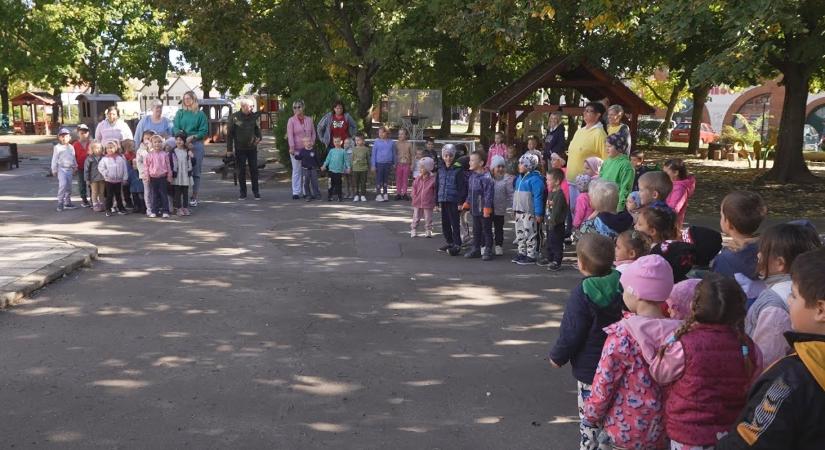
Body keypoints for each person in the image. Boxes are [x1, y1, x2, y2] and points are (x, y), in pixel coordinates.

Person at [717, 247, 825, 450]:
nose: (790, 302)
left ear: (820, 310)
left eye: (794, 296)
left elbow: (747, 442)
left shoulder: (789, 380)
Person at [650, 274, 760, 450]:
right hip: (730, 433)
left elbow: (659, 374)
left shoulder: (684, 345)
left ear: (694, 306)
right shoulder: (748, 347)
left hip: (687, 435)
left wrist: (671, 338)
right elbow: (754, 380)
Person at [583, 255, 676, 450]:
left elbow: (604, 382)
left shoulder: (622, 335)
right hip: (663, 428)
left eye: (624, 289)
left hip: (623, 428)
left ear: (637, 294)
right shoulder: (679, 334)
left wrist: (591, 414)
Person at [549, 233, 623, 450]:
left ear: (581, 264)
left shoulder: (582, 294)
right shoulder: (622, 284)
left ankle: (590, 445)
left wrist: (557, 356)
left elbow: (572, 331)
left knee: (591, 416)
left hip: (590, 368)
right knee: (613, 412)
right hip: (619, 364)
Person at [746, 223, 821, 367]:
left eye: (762, 251)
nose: (758, 254)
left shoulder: (773, 305)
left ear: (780, 263)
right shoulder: (813, 288)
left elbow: (766, 358)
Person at [712, 191, 767, 280]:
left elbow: (716, 285)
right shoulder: (767, 247)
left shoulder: (725, 259)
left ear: (728, 223)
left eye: (721, 215)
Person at [637, 205, 696, 282]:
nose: (635, 226)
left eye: (640, 224)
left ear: (652, 231)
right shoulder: (674, 246)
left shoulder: (654, 253)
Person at [567, 102, 607, 214]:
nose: (585, 113)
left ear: (598, 115)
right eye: (585, 110)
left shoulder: (600, 134)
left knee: (583, 213)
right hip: (571, 180)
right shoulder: (580, 131)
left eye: (589, 111)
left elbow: (606, 160)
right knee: (573, 212)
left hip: (586, 184)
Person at [173, 91, 208, 207]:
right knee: (181, 170)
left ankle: (194, 196)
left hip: (196, 144)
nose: (186, 100)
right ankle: (183, 195)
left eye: (188, 98)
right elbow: (175, 128)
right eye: (185, 99)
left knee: (196, 172)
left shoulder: (200, 114)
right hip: (181, 143)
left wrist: (193, 137)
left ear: (194, 99)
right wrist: (183, 138)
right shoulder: (180, 113)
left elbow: (204, 130)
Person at [512, 152, 545, 265]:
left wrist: (538, 213)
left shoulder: (536, 180)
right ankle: (522, 252)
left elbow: (538, 198)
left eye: (522, 163)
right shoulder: (519, 179)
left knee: (530, 233)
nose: (519, 165)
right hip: (519, 211)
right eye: (520, 163)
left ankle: (531, 254)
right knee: (520, 233)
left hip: (529, 213)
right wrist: (514, 209)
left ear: (529, 166)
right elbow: (516, 195)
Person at [227, 97, 262, 201]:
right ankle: (243, 193)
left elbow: (257, 129)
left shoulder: (254, 116)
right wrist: (229, 149)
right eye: (250, 106)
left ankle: (256, 192)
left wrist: (259, 138)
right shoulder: (234, 117)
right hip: (240, 149)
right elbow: (229, 135)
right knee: (241, 171)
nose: (252, 108)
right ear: (243, 106)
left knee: (254, 170)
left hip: (252, 148)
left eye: (252, 106)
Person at [462, 151, 495, 261]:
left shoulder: (486, 177)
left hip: (484, 209)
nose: (469, 162)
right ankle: (476, 248)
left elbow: (489, 194)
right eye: (470, 160)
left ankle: (488, 249)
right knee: (476, 229)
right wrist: (467, 202)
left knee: (486, 229)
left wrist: (487, 207)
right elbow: (470, 192)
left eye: (472, 160)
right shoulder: (472, 176)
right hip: (475, 208)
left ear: (481, 163)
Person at [436, 144, 467, 256]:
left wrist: (460, 201)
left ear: (454, 156)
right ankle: (449, 242)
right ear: (443, 156)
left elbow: (461, 187)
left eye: (450, 155)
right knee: (445, 223)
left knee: (455, 222)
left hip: (454, 200)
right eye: (446, 155)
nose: (448, 158)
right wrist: (436, 201)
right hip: (443, 199)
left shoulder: (458, 170)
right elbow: (437, 185)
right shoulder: (441, 169)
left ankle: (457, 243)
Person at [286, 99, 317, 200]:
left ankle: (305, 191)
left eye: (299, 107)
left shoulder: (309, 119)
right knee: (296, 170)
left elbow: (313, 133)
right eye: (294, 107)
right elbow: (290, 135)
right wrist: (291, 147)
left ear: (303, 107)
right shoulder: (291, 120)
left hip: (307, 149)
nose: (297, 109)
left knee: (306, 170)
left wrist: (312, 142)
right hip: (296, 149)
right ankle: (296, 192)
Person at [540, 168, 569, 271]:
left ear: (556, 182)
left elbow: (556, 212)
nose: (546, 181)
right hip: (550, 223)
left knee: (556, 242)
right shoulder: (551, 192)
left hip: (556, 224)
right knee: (549, 241)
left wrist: (552, 222)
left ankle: (557, 261)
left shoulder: (559, 195)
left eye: (548, 180)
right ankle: (549, 257)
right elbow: (547, 207)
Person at [599, 133, 634, 211]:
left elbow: (625, 189)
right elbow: (600, 180)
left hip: (615, 207)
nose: (606, 149)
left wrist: (620, 209)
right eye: (606, 146)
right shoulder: (607, 162)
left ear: (619, 147)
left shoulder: (626, 165)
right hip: (604, 204)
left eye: (609, 146)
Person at [97, 140, 129, 217]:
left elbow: (124, 169)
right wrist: (106, 173)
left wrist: (125, 178)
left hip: (118, 180)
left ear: (116, 148)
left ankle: (121, 208)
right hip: (109, 180)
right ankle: (108, 209)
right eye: (108, 148)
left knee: (118, 195)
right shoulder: (105, 159)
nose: (109, 150)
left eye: (111, 148)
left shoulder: (120, 158)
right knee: (109, 195)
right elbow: (100, 167)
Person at [490, 155, 514, 256]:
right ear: (493, 168)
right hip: (488, 208)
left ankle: (498, 245)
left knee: (499, 228)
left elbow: (510, 194)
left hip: (500, 209)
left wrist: (513, 207)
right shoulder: (488, 178)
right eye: (498, 166)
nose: (500, 169)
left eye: (502, 166)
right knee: (486, 227)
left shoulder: (507, 180)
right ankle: (487, 245)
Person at [144, 135, 172, 218]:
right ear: (152, 144)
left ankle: (165, 211)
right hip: (153, 177)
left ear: (162, 143)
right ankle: (154, 211)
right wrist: (147, 176)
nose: (157, 144)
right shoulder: (149, 155)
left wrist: (169, 176)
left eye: (159, 142)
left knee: (164, 194)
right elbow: (146, 167)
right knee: (154, 195)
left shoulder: (165, 154)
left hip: (162, 177)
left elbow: (168, 166)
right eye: (155, 142)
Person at [664, 158, 696, 231]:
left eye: (666, 173)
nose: (664, 175)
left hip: (671, 225)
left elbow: (673, 209)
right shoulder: (671, 184)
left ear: (676, 173)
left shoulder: (680, 188)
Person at [51, 128, 78, 212]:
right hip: (61, 169)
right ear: (59, 138)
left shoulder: (71, 147)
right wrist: (54, 169)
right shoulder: (57, 148)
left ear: (69, 137)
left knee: (69, 186)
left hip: (69, 169)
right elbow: (54, 159)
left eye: (66, 136)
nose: (64, 138)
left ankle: (67, 202)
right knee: (63, 185)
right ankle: (60, 202)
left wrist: (75, 166)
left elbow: (73, 157)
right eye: (62, 136)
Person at [411, 157, 436, 238]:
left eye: (422, 167)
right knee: (416, 217)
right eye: (420, 167)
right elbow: (414, 188)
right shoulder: (417, 179)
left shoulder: (433, 180)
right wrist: (414, 196)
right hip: (417, 201)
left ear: (428, 168)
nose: (420, 169)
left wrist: (435, 202)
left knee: (428, 217)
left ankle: (428, 230)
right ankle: (413, 229)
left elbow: (435, 191)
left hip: (428, 202)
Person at [171, 132, 195, 216]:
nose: (178, 141)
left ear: (184, 141)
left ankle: (185, 207)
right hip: (177, 176)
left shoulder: (187, 151)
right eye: (177, 140)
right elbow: (170, 163)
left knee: (185, 192)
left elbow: (193, 163)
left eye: (180, 140)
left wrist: (192, 157)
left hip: (185, 175)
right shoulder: (173, 151)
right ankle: (178, 208)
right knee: (177, 193)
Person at [370, 126, 396, 202]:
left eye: (382, 132)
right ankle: (378, 194)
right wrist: (373, 165)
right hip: (379, 164)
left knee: (386, 180)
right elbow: (374, 154)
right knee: (379, 179)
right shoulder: (377, 141)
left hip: (388, 164)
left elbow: (394, 153)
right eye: (379, 132)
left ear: (386, 133)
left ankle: (385, 194)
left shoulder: (391, 142)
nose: (380, 134)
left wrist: (394, 162)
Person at [321, 136, 350, 202]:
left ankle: (339, 197)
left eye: (338, 141)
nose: (337, 143)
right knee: (330, 184)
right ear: (333, 142)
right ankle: (330, 196)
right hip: (331, 171)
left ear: (341, 142)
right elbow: (327, 159)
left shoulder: (343, 151)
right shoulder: (331, 151)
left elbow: (346, 161)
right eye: (335, 141)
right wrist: (324, 165)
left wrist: (348, 168)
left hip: (339, 171)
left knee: (338, 185)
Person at [293, 136, 321, 201]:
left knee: (315, 182)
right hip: (305, 170)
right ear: (304, 143)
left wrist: (321, 166)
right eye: (306, 141)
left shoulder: (314, 150)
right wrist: (295, 155)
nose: (308, 143)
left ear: (312, 142)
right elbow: (299, 157)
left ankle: (317, 194)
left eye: (309, 141)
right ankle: (308, 195)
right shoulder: (302, 151)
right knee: (306, 183)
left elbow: (317, 159)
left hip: (313, 169)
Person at [135, 130, 156, 216]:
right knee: (147, 192)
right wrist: (143, 173)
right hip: (145, 175)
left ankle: (155, 207)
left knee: (154, 191)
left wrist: (151, 149)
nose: (147, 140)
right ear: (142, 139)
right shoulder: (140, 150)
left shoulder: (155, 149)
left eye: (149, 138)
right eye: (145, 138)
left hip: (155, 174)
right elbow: (138, 163)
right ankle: (149, 209)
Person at [72, 124, 92, 207]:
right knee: (81, 184)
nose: (83, 134)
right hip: (80, 167)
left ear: (88, 133)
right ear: (78, 133)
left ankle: (92, 199)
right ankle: (84, 199)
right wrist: (74, 167)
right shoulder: (75, 145)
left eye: (85, 132)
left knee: (91, 183)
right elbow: (73, 157)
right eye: (81, 132)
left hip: (91, 168)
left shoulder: (91, 143)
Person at [123, 142, 145, 214]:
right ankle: (136, 207)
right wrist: (126, 181)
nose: (135, 165)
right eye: (134, 164)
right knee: (135, 198)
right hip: (133, 188)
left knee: (141, 198)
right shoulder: (131, 172)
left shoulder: (140, 171)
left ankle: (143, 208)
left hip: (140, 188)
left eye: (136, 164)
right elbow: (129, 179)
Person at [84, 141, 106, 212]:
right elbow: (86, 170)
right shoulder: (89, 158)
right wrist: (87, 179)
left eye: (100, 148)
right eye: (96, 148)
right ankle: (95, 204)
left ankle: (102, 203)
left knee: (102, 191)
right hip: (93, 179)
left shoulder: (104, 157)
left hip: (102, 178)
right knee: (95, 192)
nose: (98, 149)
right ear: (92, 149)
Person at [350, 133, 370, 202]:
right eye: (356, 140)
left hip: (364, 169)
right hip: (355, 169)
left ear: (363, 141)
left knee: (363, 183)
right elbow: (351, 159)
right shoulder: (354, 149)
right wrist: (351, 167)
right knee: (355, 183)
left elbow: (368, 159)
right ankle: (356, 195)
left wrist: (370, 168)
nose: (357, 142)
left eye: (358, 140)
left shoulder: (366, 149)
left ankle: (363, 195)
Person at [395, 128, 413, 200]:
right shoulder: (396, 144)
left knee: (405, 179)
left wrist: (412, 164)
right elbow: (394, 154)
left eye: (402, 134)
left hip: (407, 164)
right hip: (399, 164)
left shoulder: (409, 144)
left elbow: (412, 155)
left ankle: (404, 193)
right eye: (399, 134)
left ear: (406, 135)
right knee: (398, 179)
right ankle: (398, 193)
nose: (400, 135)